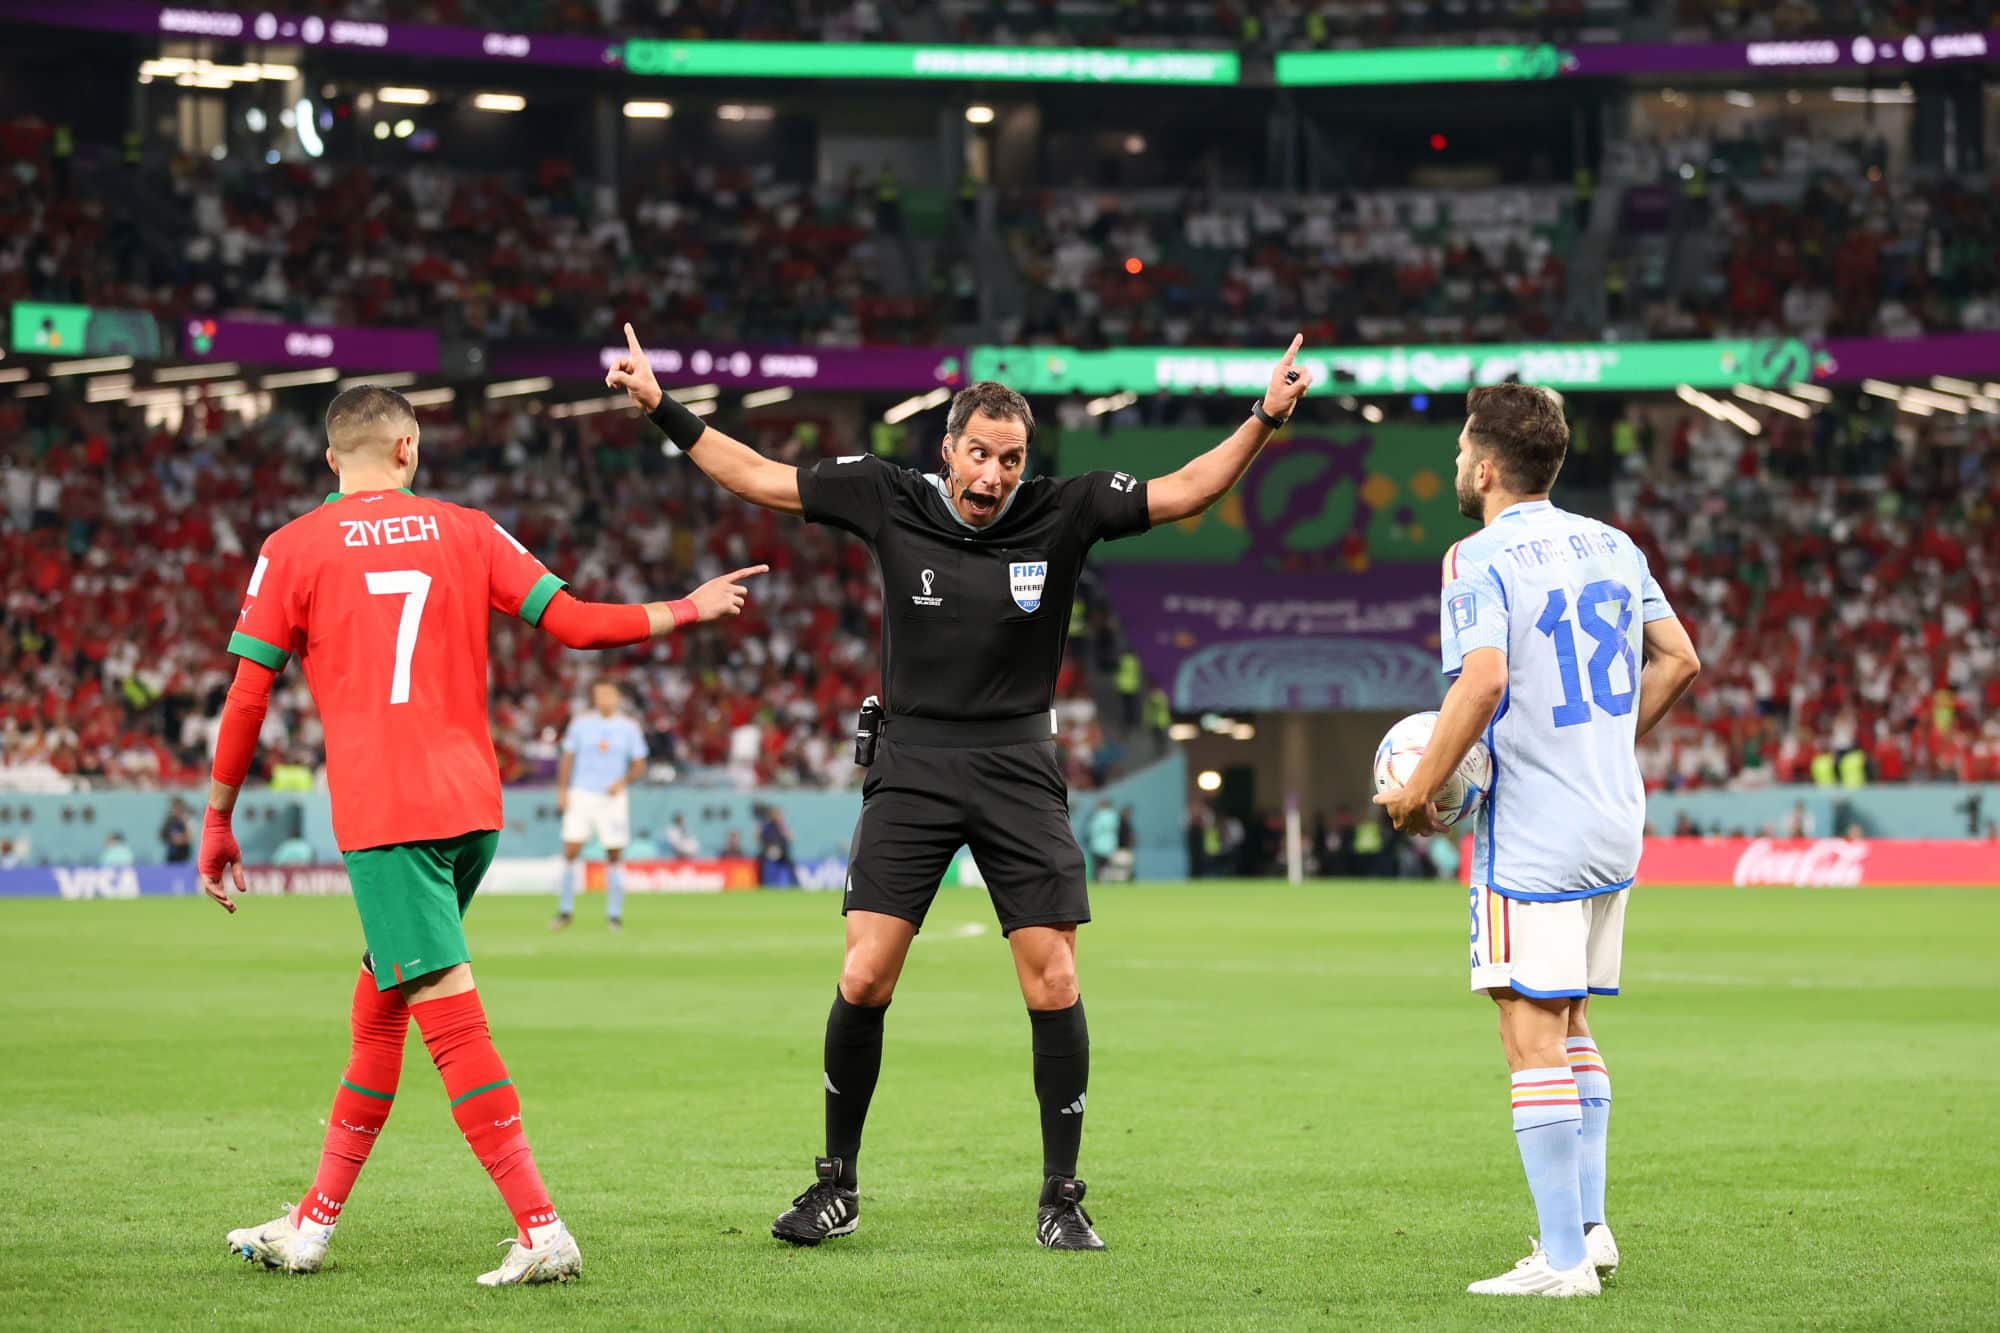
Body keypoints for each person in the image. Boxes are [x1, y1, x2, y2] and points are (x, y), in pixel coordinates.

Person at [606, 323, 1313, 1251]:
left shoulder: (1064, 510)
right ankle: (836, 1184)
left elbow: (1187, 490)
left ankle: (1061, 1196)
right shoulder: (887, 495)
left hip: (1019, 762)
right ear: (949, 449)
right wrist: (662, 407)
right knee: (865, 972)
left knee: (1054, 976)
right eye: (979, 454)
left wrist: (1264, 416)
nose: (994, 475)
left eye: (1010, 459)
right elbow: (759, 477)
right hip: (913, 761)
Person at [197, 385, 765, 1285]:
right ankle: (310, 1222)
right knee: (379, 1007)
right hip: (471, 810)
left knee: (450, 1021)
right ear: (408, 448)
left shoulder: (292, 547)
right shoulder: (468, 529)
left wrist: (219, 818)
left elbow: (246, 695)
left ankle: (541, 1226)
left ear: (331, 458)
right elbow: (576, 624)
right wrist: (686, 607)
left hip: (388, 817)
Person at [1374, 384, 1701, 1298]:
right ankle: (1590, 1231)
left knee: (1528, 1029)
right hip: (1612, 817)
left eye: (1458, 451)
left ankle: (1561, 1262)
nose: (1454, 464)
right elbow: (1680, 657)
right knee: (1570, 1019)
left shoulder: (1475, 556)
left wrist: (1419, 790)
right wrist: (1600, 744)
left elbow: (1481, 682)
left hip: (1535, 830)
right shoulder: (1615, 544)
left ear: (1485, 468)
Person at [550, 679, 648, 933]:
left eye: (609, 694)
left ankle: (614, 915)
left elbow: (640, 764)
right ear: (594, 698)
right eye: (600, 694)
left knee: (614, 854)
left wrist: (622, 781)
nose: (604, 699)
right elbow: (567, 758)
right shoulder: (580, 724)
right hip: (582, 793)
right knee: (571, 850)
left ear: (617, 698)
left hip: (612, 798)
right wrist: (563, 791)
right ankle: (565, 910)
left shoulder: (629, 727)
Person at [1084, 800, 1119, 880]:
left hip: (1098, 846)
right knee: (1108, 866)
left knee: (1097, 867)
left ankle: (1098, 880)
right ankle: (1107, 881)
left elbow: (1091, 830)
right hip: (1110, 845)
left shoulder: (1098, 816)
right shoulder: (1113, 816)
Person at [160, 797, 193, 863]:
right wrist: (173, 839)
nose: (177, 810)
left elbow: (189, 837)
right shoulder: (169, 821)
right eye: (175, 808)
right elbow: (163, 835)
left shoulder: (186, 821)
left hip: (184, 855)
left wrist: (182, 838)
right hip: (172, 855)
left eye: (179, 808)